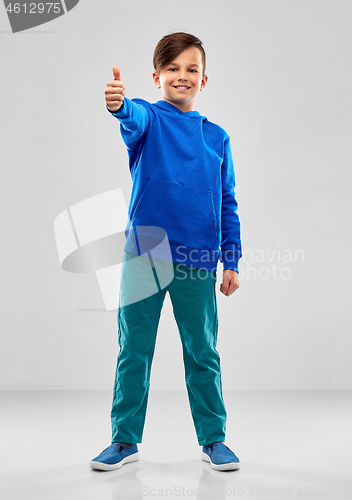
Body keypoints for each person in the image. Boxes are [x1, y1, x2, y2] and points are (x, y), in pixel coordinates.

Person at [90, 32, 242, 472]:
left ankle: (214, 440)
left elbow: (227, 202)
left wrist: (231, 260)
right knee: (133, 349)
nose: (182, 76)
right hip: (145, 255)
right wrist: (119, 105)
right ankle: (124, 440)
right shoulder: (149, 121)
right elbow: (130, 117)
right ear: (156, 77)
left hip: (198, 259)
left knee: (202, 353)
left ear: (204, 79)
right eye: (172, 69)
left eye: (191, 69)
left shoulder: (217, 138)